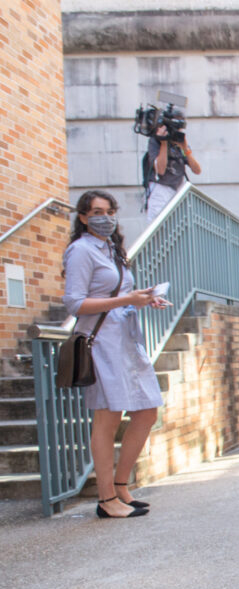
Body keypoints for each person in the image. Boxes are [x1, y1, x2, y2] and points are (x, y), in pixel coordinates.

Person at [62, 190, 169, 519]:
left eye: (110, 211)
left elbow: (120, 294)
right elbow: (75, 304)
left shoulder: (111, 250)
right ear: (83, 217)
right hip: (101, 343)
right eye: (96, 211)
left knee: (148, 410)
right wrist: (126, 301)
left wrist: (144, 299)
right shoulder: (80, 251)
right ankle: (106, 499)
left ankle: (122, 486)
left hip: (125, 340)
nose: (104, 217)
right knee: (107, 418)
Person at [145, 122, 201, 221]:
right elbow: (160, 171)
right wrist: (164, 143)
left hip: (177, 189)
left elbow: (197, 170)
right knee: (159, 227)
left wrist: (185, 148)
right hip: (161, 189)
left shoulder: (179, 144)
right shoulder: (155, 142)